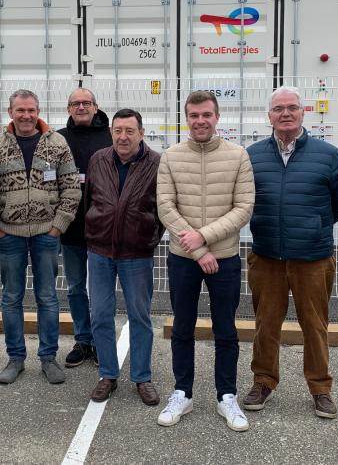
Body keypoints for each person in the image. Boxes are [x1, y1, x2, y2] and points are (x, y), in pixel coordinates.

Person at [241, 86, 338, 419]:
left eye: (292, 107)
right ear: (270, 116)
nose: (286, 114)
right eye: (279, 109)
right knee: (265, 324)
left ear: (303, 112)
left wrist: (315, 224)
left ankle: (320, 388)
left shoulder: (328, 155)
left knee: (315, 326)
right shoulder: (252, 155)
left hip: (313, 259)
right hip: (267, 257)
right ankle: (263, 381)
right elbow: (243, 199)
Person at [156, 90, 255, 432]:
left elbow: (243, 207)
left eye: (206, 115)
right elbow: (166, 207)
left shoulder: (238, 156)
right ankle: (182, 392)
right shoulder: (170, 157)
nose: (200, 121)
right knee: (182, 327)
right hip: (184, 258)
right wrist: (197, 248)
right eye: (194, 115)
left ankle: (226, 395)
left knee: (225, 329)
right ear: (187, 118)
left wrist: (205, 237)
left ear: (217, 117)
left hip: (224, 259)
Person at [0, 89, 81, 385]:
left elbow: (71, 187)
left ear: (38, 111)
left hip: (46, 235)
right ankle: (15, 358)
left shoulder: (57, 143)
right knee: (11, 297)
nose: (26, 115)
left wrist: (57, 227)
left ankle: (48, 358)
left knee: (48, 298)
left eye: (31, 110)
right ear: (10, 111)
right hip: (8, 236)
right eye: (20, 110)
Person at [84, 109, 162, 406]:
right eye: (118, 130)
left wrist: (150, 237)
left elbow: (162, 208)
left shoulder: (156, 162)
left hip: (136, 253)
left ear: (141, 133)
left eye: (130, 131)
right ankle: (108, 374)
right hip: (100, 251)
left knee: (139, 317)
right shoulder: (98, 159)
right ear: (111, 132)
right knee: (101, 315)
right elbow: (90, 198)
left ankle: (142, 377)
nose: (123, 137)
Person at [57, 88, 112, 368]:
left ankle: (102, 342)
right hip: (71, 228)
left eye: (86, 103)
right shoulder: (57, 139)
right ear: (68, 109)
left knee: (102, 290)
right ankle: (83, 339)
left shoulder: (112, 136)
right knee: (76, 287)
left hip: (104, 229)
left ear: (96, 106)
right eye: (75, 104)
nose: (81, 107)